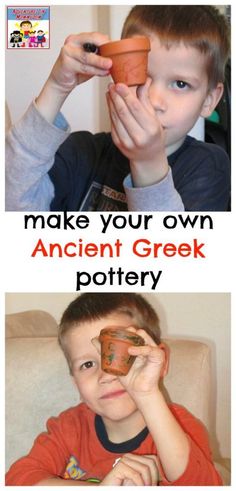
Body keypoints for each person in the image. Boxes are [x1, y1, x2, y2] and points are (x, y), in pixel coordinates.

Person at [6, 6, 230, 211]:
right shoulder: (81, 151)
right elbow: (12, 208)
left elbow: (176, 251)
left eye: (181, 84)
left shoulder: (209, 167)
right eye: (141, 75)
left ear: (209, 100)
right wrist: (56, 88)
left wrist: (147, 164)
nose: (153, 100)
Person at [6, 293, 222, 486]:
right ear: (76, 384)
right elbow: (17, 479)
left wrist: (146, 394)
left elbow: (204, 484)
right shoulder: (69, 428)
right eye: (87, 365)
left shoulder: (180, 427)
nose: (106, 375)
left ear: (160, 362)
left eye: (120, 355)